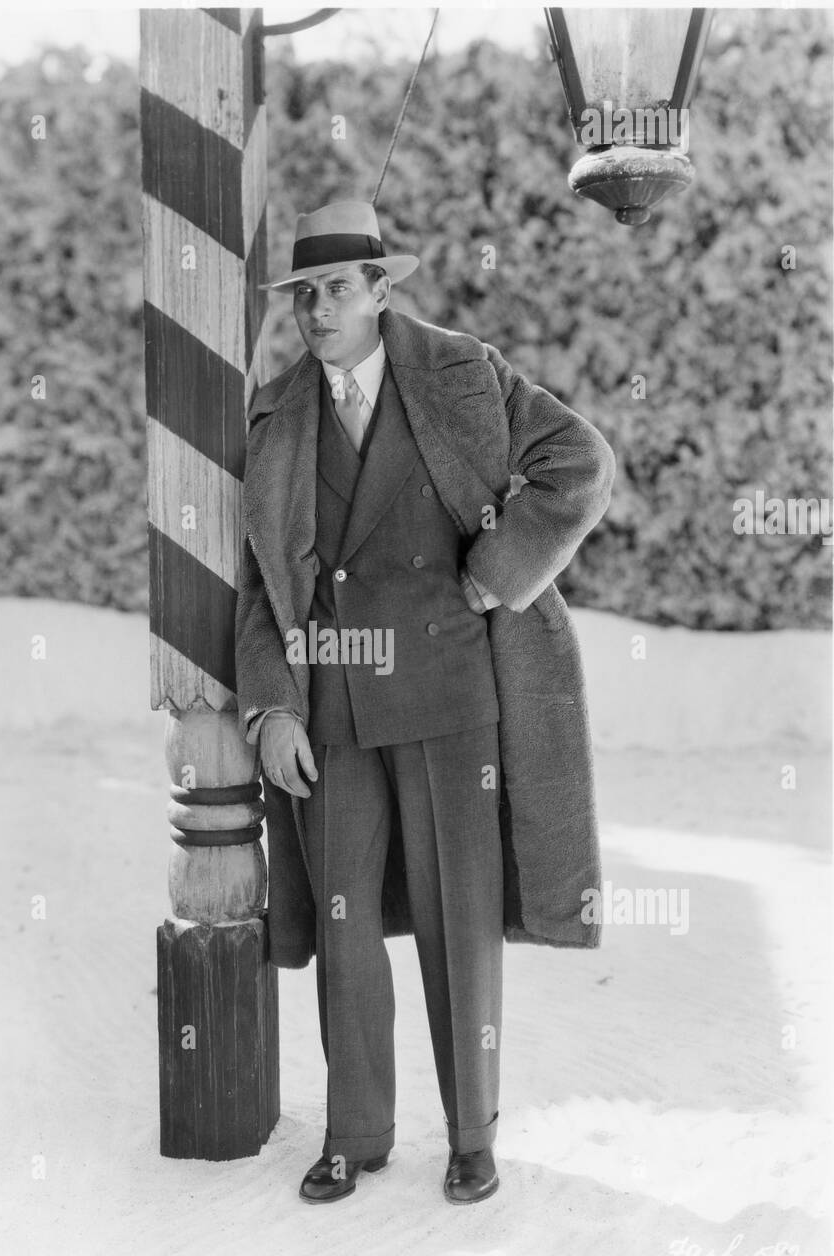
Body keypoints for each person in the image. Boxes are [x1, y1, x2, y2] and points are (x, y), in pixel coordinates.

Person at [235, 200, 615, 1204]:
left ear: (381, 289)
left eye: (339, 289)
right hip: (333, 711)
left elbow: (580, 462)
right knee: (345, 925)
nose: (319, 310)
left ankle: (472, 1136)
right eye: (305, 294)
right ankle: (354, 1136)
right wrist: (271, 709)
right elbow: (260, 584)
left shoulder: (463, 372)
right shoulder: (276, 415)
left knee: (461, 925)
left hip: (453, 697)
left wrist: (502, 567)